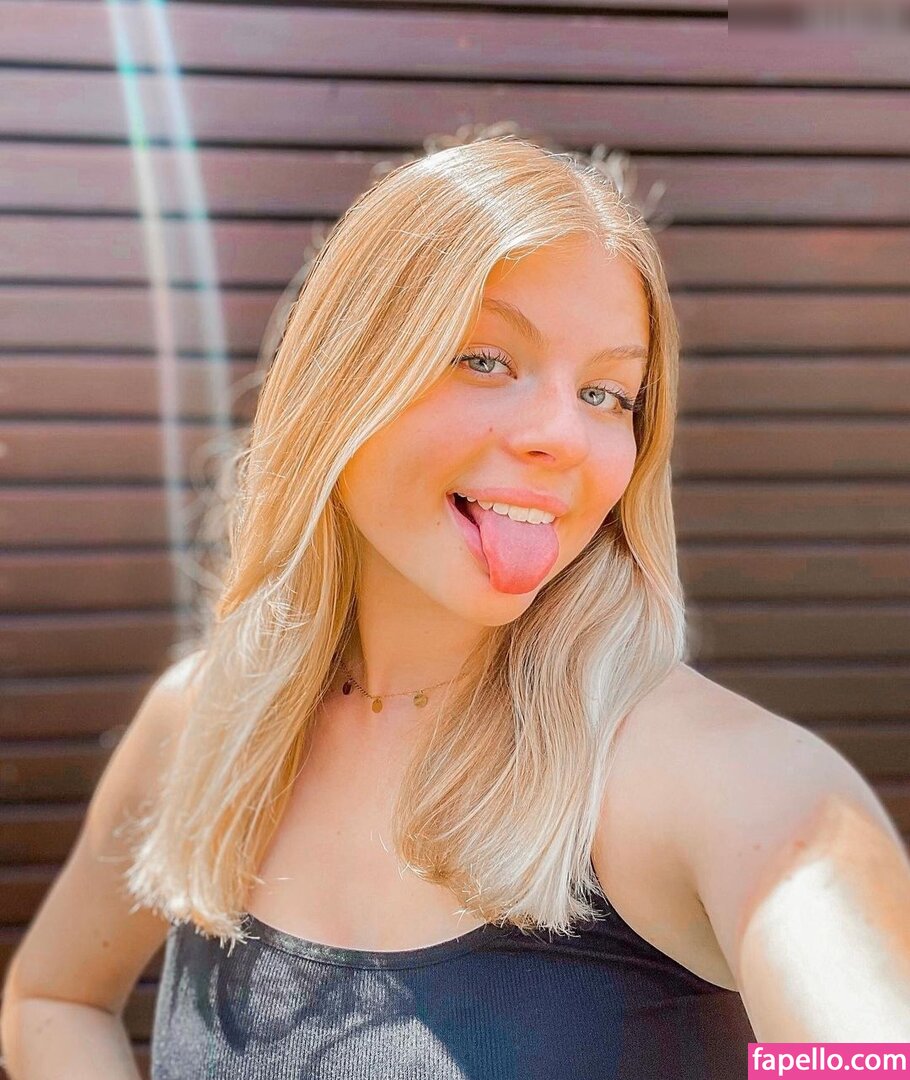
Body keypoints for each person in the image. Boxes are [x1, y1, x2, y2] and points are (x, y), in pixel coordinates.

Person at [3, 135, 909, 1080]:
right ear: (342, 380)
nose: (563, 434)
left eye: (607, 393)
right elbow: (54, 1000)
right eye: (484, 358)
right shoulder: (201, 720)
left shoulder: (726, 780)